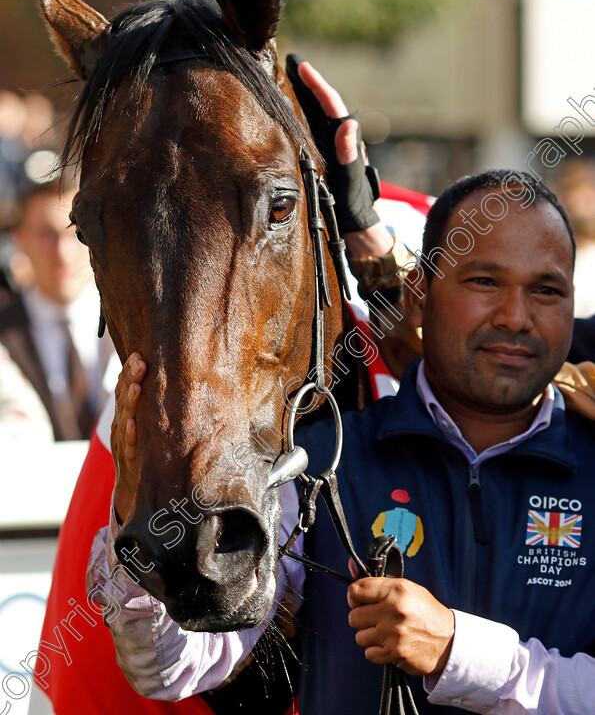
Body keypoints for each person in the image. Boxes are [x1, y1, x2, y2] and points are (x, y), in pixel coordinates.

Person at [87, 59, 595, 715]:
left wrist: (458, 651)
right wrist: (139, 537)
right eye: (482, 283)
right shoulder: (317, 461)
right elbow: (170, 669)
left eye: (545, 291)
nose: (515, 317)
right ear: (416, 296)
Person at [0, 161, 114, 440]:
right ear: (20, 240)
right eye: (46, 235)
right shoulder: (4, 329)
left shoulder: (135, 323)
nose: (63, 253)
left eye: (77, 233)